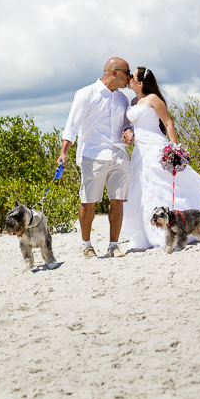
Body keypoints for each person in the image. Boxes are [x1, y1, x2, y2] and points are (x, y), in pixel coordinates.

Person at [122, 67, 200, 250]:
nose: (128, 78)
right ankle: (153, 233)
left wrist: (174, 149)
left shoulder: (153, 99)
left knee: (163, 187)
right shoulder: (133, 100)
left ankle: (184, 227)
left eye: (132, 76)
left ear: (140, 82)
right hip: (140, 151)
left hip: (156, 147)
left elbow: (168, 123)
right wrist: (129, 133)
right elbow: (136, 126)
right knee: (144, 190)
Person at [58, 57, 134, 259]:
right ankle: (86, 245)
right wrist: (63, 152)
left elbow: (126, 123)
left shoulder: (122, 99)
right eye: (128, 72)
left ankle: (113, 245)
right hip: (92, 154)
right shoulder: (85, 93)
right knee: (88, 201)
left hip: (118, 153)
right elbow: (72, 124)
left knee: (117, 200)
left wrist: (128, 131)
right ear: (115, 72)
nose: (130, 77)